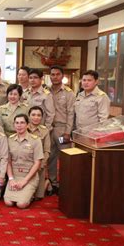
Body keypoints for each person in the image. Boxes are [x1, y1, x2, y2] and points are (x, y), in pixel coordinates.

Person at [4, 114, 44, 209]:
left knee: (21, 204)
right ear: (14, 125)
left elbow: (37, 163)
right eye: (17, 123)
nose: (19, 125)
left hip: (29, 177)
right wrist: (11, 179)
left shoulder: (35, 140)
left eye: (22, 123)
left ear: (27, 125)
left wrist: (25, 181)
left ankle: (32, 194)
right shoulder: (10, 140)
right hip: (14, 176)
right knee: (8, 202)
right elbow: (8, 162)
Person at [48, 65, 75, 194]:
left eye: (57, 74)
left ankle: (65, 184)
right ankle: (53, 183)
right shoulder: (46, 91)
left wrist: (67, 132)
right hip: (49, 129)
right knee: (50, 157)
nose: (55, 77)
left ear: (62, 76)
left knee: (64, 157)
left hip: (62, 130)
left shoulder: (68, 93)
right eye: (52, 74)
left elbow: (71, 113)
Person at [27, 106, 51, 199]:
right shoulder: (23, 127)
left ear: (42, 117)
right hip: (25, 164)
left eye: (38, 115)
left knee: (38, 197)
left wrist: (40, 165)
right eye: (33, 115)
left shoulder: (45, 131)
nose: (36, 117)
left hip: (39, 165)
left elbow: (47, 151)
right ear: (28, 116)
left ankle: (46, 183)